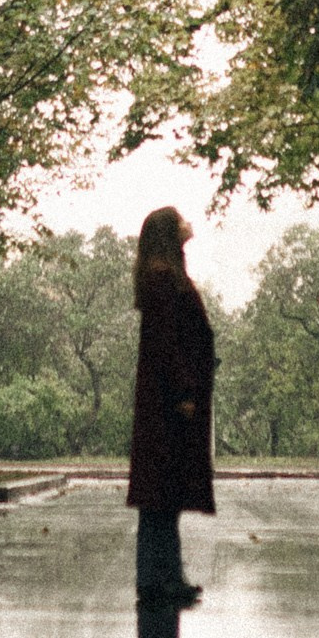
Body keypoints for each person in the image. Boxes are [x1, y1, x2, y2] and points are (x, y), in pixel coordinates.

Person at [126, 205, 214, 606]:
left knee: (165, 494)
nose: (186, 226)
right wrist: (183, 392)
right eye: (179, 222)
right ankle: (155, 579)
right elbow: (167, 345)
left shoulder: (164, 276)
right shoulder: (162, 280)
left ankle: (164, 577)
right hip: (168, 407)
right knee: (160, 495)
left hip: (165, 405)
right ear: (167, 233)